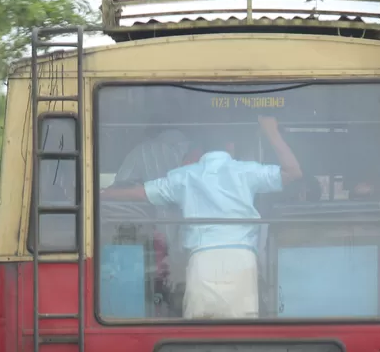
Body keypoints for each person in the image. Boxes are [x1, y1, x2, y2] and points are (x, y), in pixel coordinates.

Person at [101, 115, 303, 319]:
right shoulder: (247, 171)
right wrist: (272, 132)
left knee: (199, 326)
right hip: (242, 260)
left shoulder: (185, 175)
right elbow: (293, 171)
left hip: (202, 260)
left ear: (201, 149)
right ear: (231, 146)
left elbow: (140, 192)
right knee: (241, 329)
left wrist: (100, 194)